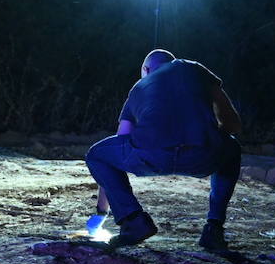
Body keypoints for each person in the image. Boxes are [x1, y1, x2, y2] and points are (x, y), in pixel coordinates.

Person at [85, 49, 243, 250]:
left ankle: (133, 220)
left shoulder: (140, 87)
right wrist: (206, 134)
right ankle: (214, 228)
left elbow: (120, 142)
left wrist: (100, 214)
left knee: (98, 155)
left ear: (146, 69)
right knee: (232, 148)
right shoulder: (195, 70)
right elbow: (234, 126)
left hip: (151, 157)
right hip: (201, 157)